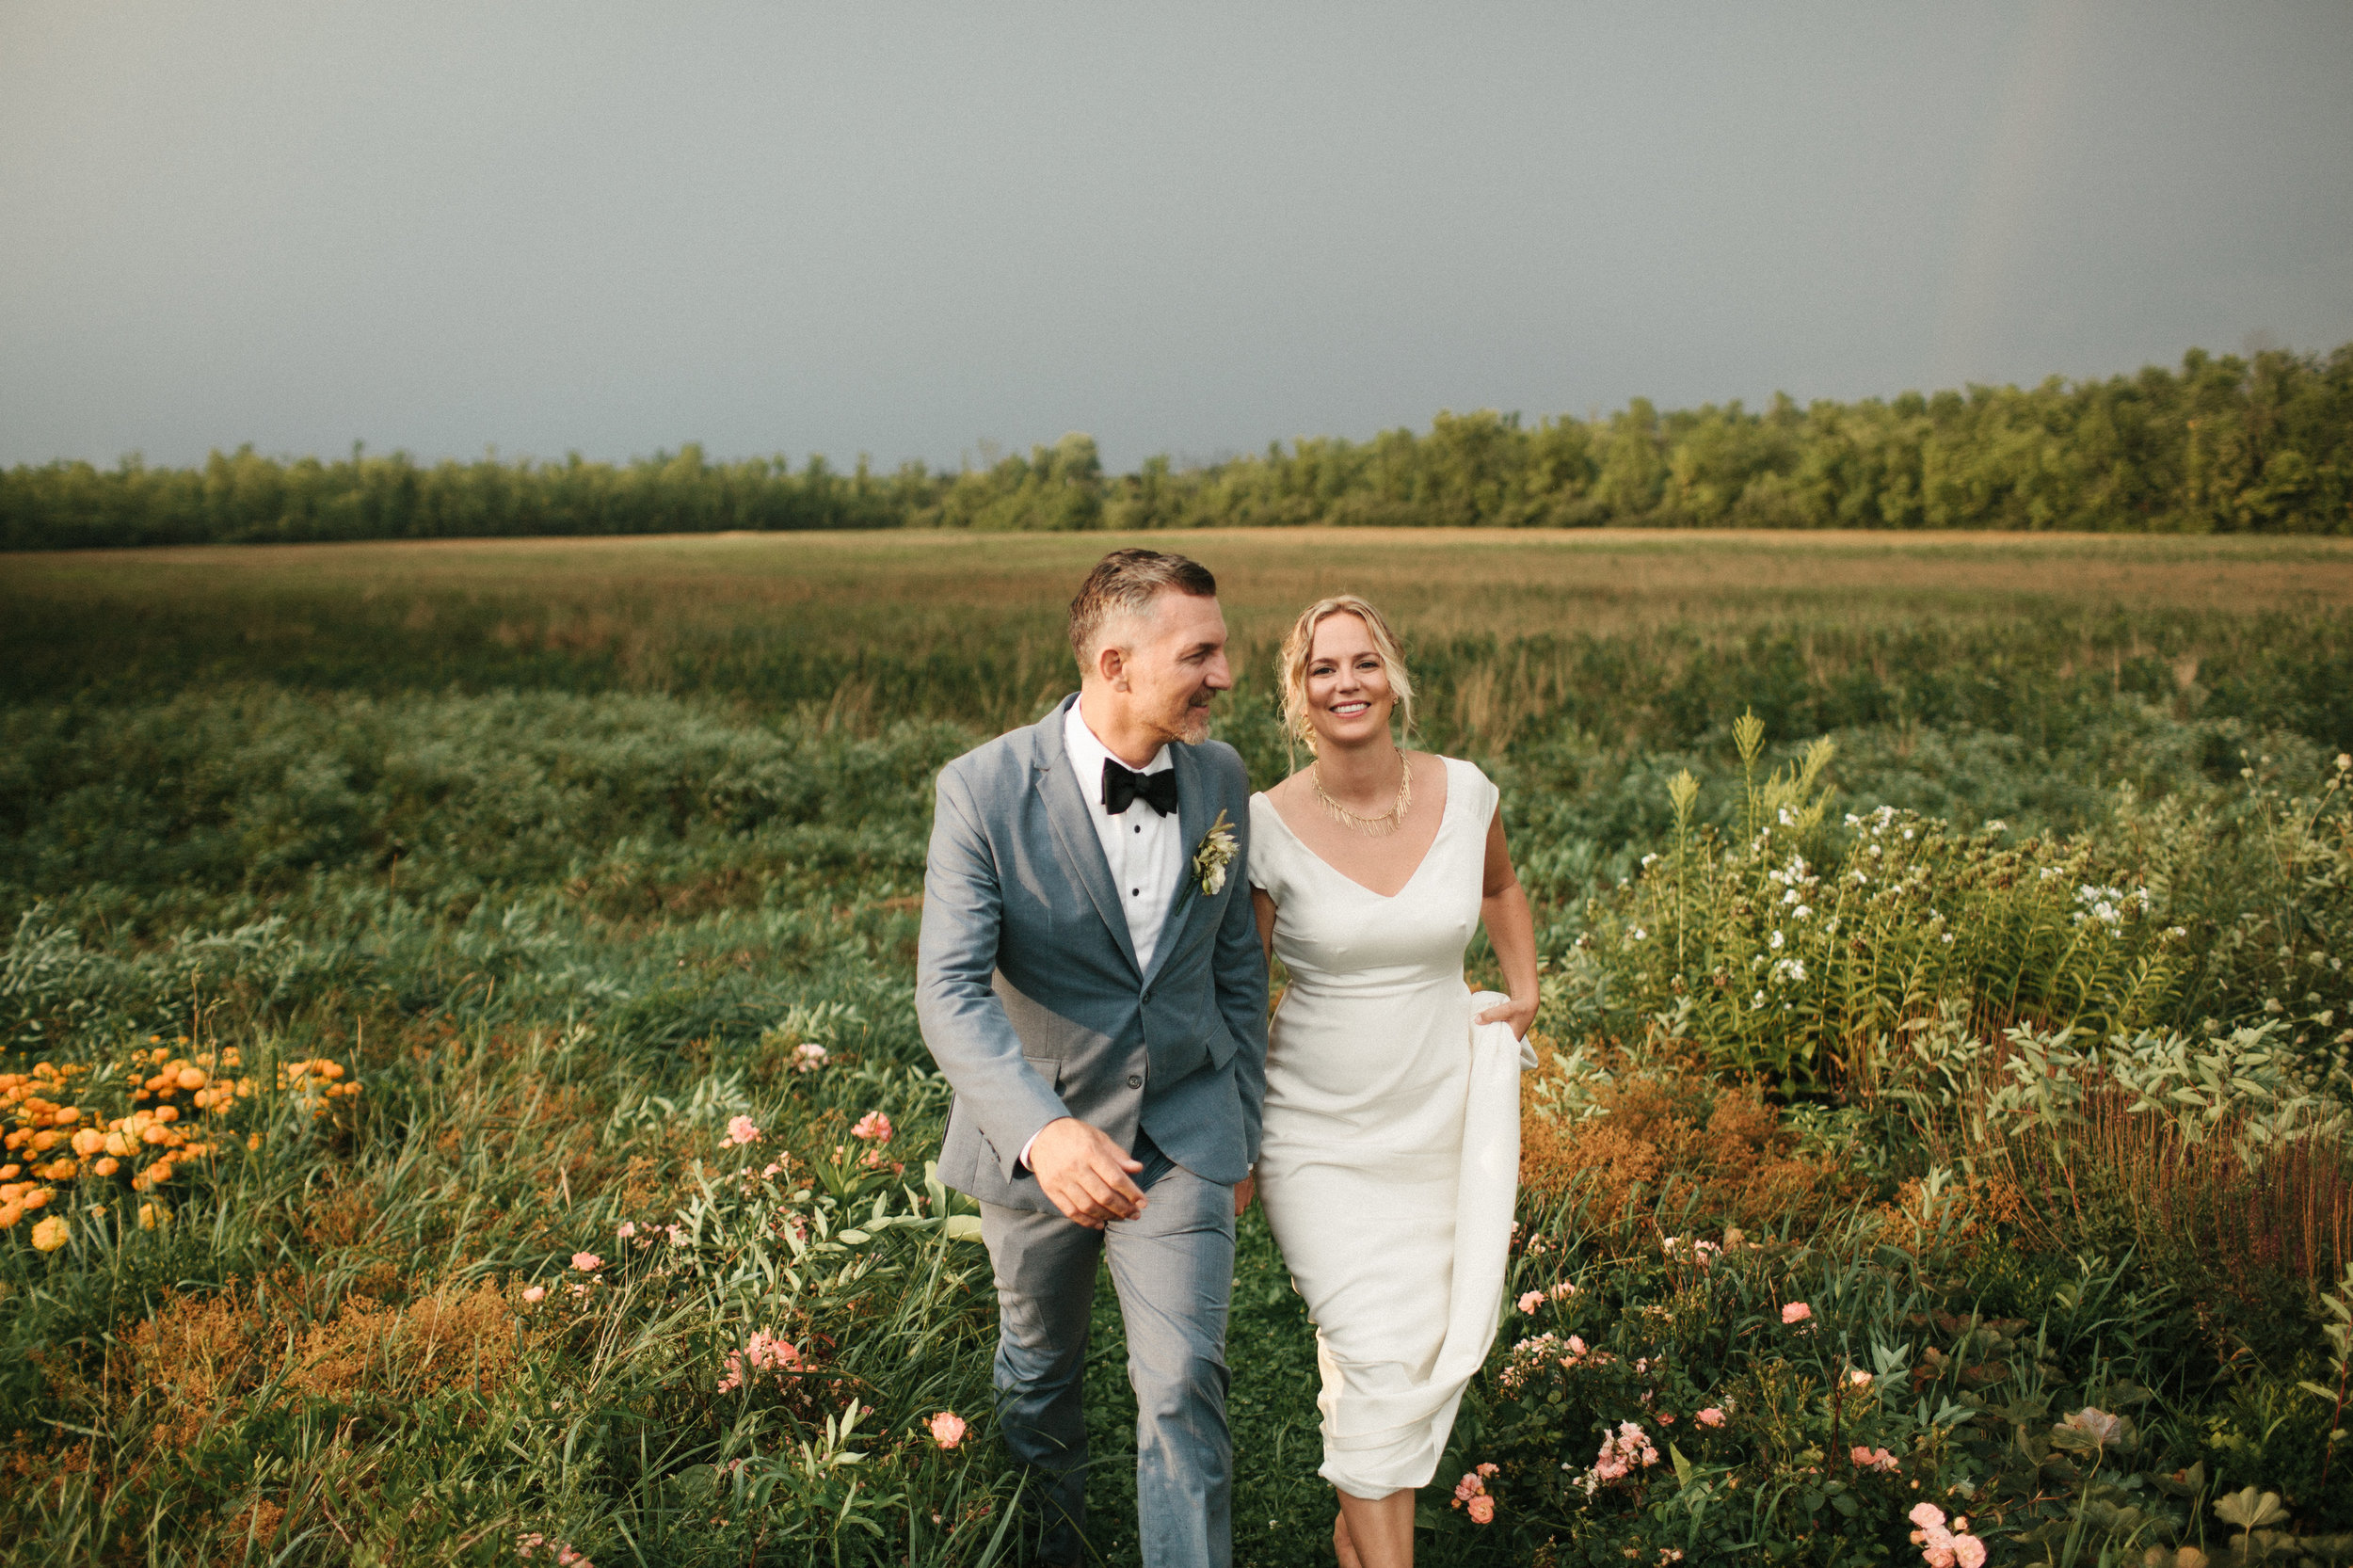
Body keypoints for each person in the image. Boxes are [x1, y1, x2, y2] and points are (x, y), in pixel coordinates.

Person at [916, 548, 1269, 1568]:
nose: (1226, 674)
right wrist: (1040, 1132)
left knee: (1182, 1385)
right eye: (1200, 652)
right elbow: (947, 990)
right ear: (1115, 663)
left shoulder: (1221, 775)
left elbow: (1239, 967)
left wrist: (1235, 1126)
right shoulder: (980, 789)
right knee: (1038, 1379)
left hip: (1185, 1133)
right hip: (1038, 1149)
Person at [1243, 594, 1539, 1568]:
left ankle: (1360, 1545)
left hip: (1438, 1120)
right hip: (1316, 1133)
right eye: (1322, 668)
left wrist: (1525, 987)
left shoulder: (1464, 791)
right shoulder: (1265, 823)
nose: (1345, 683)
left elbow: (1498, 886)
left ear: (1394, 676)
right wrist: (1234, 1135)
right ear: (1298, 693)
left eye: (1361, 662)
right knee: (1372, 1353)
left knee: (1404, 1361)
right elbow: (1240, 997)